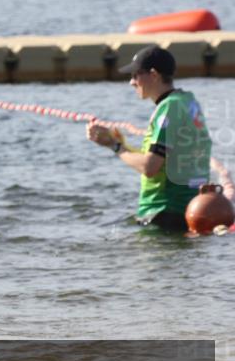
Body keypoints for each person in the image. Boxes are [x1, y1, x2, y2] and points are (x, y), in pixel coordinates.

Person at [86, 46, 211, 232]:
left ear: (154, 75)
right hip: (191, 211)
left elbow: (150, 167)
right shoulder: (188, 102)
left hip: (163, 213)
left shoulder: (169, 108)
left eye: (136, 75)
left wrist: (114, 145)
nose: (131, 82)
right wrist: (122, 144)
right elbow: (165, 159)